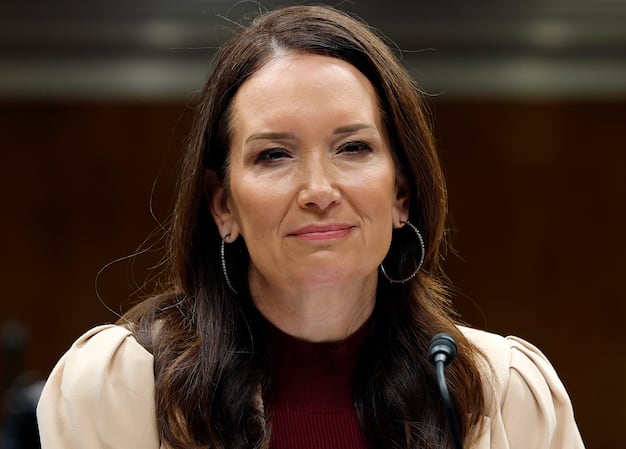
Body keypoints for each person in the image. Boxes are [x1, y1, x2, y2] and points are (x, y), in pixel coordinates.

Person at [36, 5, 585, 449]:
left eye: (353, 148)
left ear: (401, 194)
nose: (319, 191)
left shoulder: (503, 394)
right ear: (222, 205)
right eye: (274, 155)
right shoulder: (117, 390)